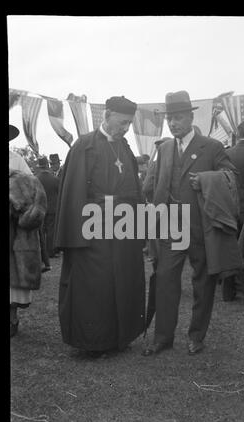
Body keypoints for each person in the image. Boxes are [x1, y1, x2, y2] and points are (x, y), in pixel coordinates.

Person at [142, 90, 239, 356]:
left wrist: (207, 179)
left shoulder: (212, 146)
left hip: (202, 227)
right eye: (169, 118)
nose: (172, 123)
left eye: (177, 118)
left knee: (203, 283)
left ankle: (197, 336)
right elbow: (150, 185)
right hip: (172, 226)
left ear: (190, 117)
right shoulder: (163, 148)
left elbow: (230, 176)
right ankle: (163, 338)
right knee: (165, 280)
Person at [54, 96, 145, 357]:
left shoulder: (125, 148)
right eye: (122, 122)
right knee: (95, 288)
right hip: (92, 233)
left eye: (129, 123)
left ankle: (120, 338)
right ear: (106, 115)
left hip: (124, 232)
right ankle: (93, 343)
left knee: (124, 283)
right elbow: (73, 193)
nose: (125, 128)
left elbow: (134, 190)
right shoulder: (85, 146)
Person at [9, 124, 47, 336]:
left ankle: (12, 317)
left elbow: (33, 190)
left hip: (16, 228)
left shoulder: (17, 160)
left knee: (14, 274)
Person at [222, 119, 244, 305]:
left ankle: (228, 292)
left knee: (230, 249)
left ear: (237, 132)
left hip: (230, 209)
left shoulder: (226, 154)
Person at [35, 156, 60, 259]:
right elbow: (59, 193)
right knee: (50, 231)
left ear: (40, 166)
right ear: (47, 165)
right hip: (52, 208)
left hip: (40, 208)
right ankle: (50, 251)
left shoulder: (35, 179)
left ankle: (41, 252)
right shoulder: (54, 179)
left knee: (40, 231)